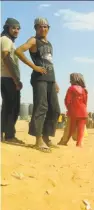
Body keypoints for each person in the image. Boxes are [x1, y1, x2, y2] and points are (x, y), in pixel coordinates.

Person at [15, 17, 60, 152]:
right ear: (35, 28)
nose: (43, 28)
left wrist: (55, 81)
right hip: (39, 79)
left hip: (50, 79)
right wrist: (34, 67)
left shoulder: (49, 44)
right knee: (41, 107)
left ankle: (46, 137)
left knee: (55, 109)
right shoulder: (34, 40)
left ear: (49, 28)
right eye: (40, 26)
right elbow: (18, 51)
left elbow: (49, 63)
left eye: (45, 26)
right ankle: (38, 140)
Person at [1, 18, 24, 144]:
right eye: (13, 28)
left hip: (5, 77)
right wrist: (16, 79)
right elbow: (6, 58)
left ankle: (4, 134)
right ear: (7, 28)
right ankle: (9, 136)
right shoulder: (6, 40)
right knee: (12, 108)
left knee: (7, 107)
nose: (16, 30)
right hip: (8, 78)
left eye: (18, 28)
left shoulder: (6, 40)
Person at [60, 73, 88, 147]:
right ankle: (79, 143)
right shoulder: (84, 90)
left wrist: (69, 109)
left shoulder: (71, 88)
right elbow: (85, 102)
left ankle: (64, 141)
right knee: (81, 129)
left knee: (70, 128)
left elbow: (67, 101)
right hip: (83, 112)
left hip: (73, 111)